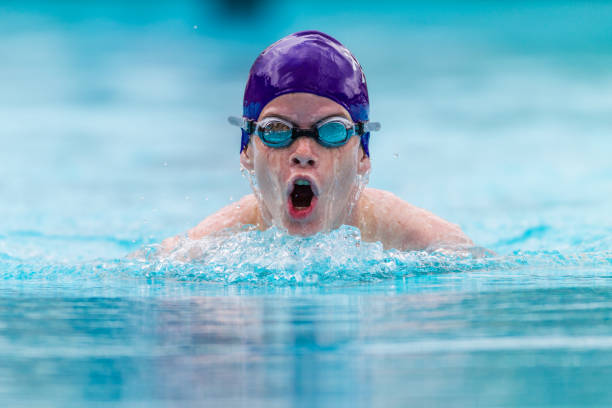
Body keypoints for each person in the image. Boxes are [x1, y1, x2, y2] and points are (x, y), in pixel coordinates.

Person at [163, 30, 473, 252]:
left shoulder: (429, 244)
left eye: (332, 131)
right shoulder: (201, 249)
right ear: (246, 149)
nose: (303, 153)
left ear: (363, 155)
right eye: (276, 130)